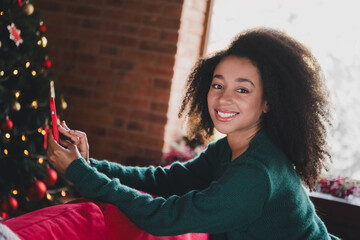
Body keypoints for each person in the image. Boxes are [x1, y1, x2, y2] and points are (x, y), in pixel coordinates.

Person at [47, 27, 339, 240]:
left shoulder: (255, 174)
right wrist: (89, 164)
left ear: (267, 102)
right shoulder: (231, 148)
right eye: (217, 84)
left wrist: (81, 174)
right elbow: (166, 180)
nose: (223, 99)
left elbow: (165, 217)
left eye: (242, 89)